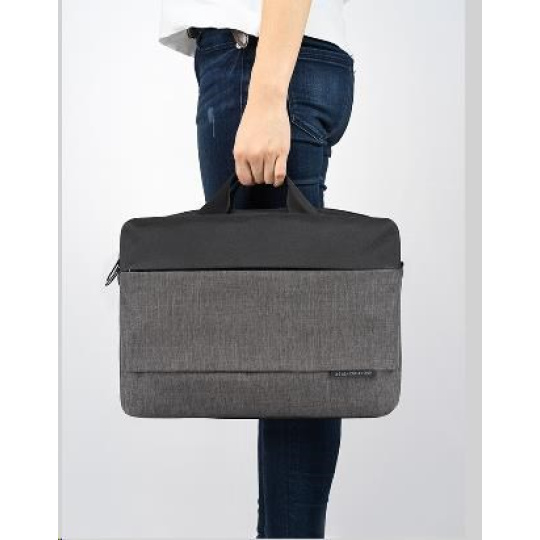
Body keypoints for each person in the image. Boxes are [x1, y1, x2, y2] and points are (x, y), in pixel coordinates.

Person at [160, 1, 354, 537]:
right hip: (269, 59)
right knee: (293, 349)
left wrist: (266, 94)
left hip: (261, 59)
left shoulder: (263, 76)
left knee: (294, 358)